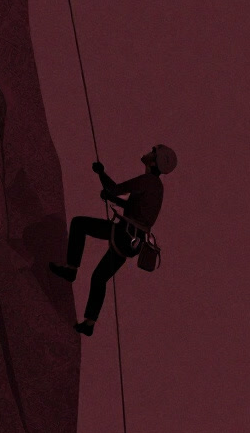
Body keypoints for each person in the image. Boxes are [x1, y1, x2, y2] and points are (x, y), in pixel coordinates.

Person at [49, 144, 177, 336]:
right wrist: (113, 199)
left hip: (124, 233)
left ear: (154, 161)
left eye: (153, 152)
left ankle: (71, 268)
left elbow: (116, 188)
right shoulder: (157, 187)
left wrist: (101, 173)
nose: (149, 152)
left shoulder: (148, 180)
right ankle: (89, 323)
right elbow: (136, 208)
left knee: (79, 224)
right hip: (133, 241)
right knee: (99, 277)